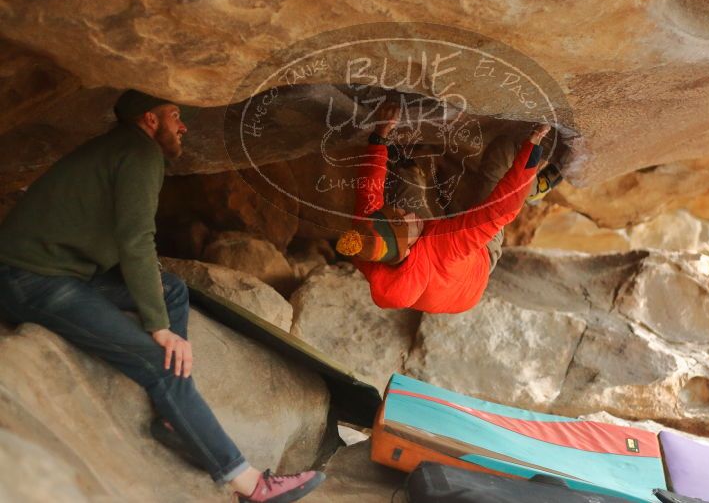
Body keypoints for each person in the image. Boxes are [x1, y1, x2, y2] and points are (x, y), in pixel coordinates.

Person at [0, 90, 324, 502]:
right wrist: (158, 328)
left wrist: (157, 310)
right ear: (150, 120)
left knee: (171, 288)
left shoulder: (121, 148)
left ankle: (174, 417)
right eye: (174, 116)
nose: (183, 125)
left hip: (52, 272)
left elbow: (123, 240)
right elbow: (135, 240)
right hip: (29, 279)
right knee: (160, 363)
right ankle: (252, 485)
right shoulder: (139, 154)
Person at [336, 104, 564, 313]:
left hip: (431, 272)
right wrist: (533, 143)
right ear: (406, 252)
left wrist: (380, 136)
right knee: (503, 150)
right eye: (404, 219)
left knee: (402, 176)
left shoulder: (364, 242)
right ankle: (536, 188)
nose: (405, 212)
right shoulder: (445, 247)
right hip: (472, 269)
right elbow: (501, 209)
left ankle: (411, 170)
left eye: (395, 213)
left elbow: (368, 192)